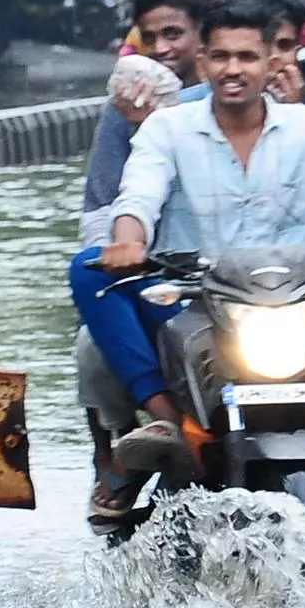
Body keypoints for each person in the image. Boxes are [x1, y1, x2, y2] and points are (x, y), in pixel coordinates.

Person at [67, 0, 305, 534]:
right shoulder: (165, 130)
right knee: (87, 273)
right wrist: (128, 241)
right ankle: (168, 425)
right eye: (221, 57)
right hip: (193, 298)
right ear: (204, 64)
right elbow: (137, 199)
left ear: (271, 63)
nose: (233, 70)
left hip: (299, 298)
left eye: (247, 57)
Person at [75, 55, 175, 491]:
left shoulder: (301, 121)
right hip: (164, 276)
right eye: (151, 39)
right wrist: (128, 243)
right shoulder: (132, 116)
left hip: (263, 282)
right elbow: (123, 202)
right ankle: (120, 446)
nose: (162, 50)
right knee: (91, 337)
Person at [121, 0, 202, 87]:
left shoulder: (223, 98)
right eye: (149, 38)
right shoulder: (126, 100)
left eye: (173, 34)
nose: (159, 49)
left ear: (201, 33)